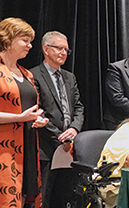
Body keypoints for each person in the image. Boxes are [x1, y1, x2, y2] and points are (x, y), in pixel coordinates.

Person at [0, 17, 49, 208]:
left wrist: (39, 119)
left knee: (25, 198)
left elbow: (32, 108)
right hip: (2, 150)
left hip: (28, 145)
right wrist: (19, 118)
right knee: (4, 199)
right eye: (25, 40)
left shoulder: (27, 74)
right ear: (8, 39)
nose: (30, 46)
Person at [30, 31, 85, 207]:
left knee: (65, 197)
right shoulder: (33, 75)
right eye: (59, 48)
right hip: (45, 146)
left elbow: (78, 107)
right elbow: (37, 111)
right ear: (46, 49)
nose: (63, 53)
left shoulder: (69, 77)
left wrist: (74, 129)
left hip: (69, 147)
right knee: (43, 197)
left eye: (66, 50)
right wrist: (60, 136)